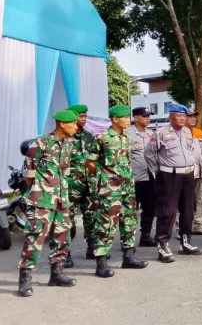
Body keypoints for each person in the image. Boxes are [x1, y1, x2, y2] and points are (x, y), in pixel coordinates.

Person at [17, 110, 79, 297]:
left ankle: (57, 274)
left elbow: (65, 172)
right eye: (73, 124)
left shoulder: (68, 144)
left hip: (62, 199)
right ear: (62, 124)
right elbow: (29, 174)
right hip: (42, 199)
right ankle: (25, 279)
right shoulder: (40, 143)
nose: (76, 127)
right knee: (35, 238)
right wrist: (38, 191)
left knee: (62, 236)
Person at [86, 105, 149, 277]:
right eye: (125, 118)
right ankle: (101, 264)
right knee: (106, 225)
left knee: (129, 222)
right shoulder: (102, 137)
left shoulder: (127, 138)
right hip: (110, 190)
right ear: (115, 119)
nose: (129, 120)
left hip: (127, 188)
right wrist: (105, 178)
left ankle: (128, 258)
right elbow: (90, 162)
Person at [145, 103, 202, 262]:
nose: (182, 119)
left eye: (184, 116)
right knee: (168, 211)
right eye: (179, 116)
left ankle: (186, 242)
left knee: (188, 210)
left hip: (188, 174)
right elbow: (149, 153)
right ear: (171, 116)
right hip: (169, 176)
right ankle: (163, 245)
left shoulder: (187, 132)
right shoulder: (161, 133)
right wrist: (157, 171)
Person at [65, 104, 98, 266]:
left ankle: (92, 249)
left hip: (89, 184)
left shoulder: (89, 136)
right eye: (81, 116)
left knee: (91, 217)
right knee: (67, 220)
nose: (84, 119)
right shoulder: (64, 137)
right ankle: (65, 253)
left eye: (85, 116)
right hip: (70, 185)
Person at [127, 107, 156, 247]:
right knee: (130, 211)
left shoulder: (151, 133)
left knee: (149, 208)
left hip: (150, 177)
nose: (148, 118)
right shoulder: (128, 134)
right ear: (136, 118)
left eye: (148, 116)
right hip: (135, 178)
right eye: (144, 116)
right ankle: (128, 239)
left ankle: (145, 235)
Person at [185, 109, 202, 235]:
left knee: (201, 199)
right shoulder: (179, 133)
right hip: (187, 172)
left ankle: (199, 224)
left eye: (194, 116)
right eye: (190, 116)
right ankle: (183, 226)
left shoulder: (199, 133)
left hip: (201, 171)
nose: (193, 118)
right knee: (185, 201)